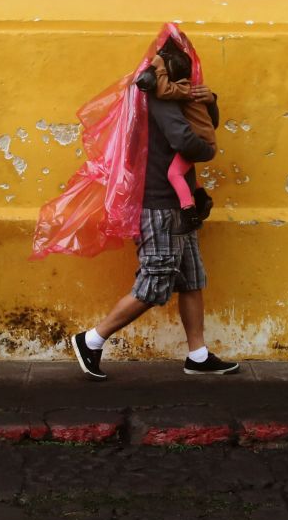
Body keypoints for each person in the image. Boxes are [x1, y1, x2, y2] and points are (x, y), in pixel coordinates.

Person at [69, 30, 240, 380]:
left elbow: (202, 122)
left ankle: (198, 354)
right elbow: (184, 139)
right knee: (155, 281)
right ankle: (92, 340)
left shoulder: (173, 93)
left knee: (191, 277)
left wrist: (210, 101)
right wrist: (209, 151)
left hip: (178, 203)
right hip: (160, 202)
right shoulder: (159, 97)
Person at [136, 36, 215, 233]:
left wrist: (158, 66)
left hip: (163, 203)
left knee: (175, 173)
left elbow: (164, 92)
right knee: (182, 168)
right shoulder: (187, 88)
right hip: (203, 144)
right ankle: (200, 196)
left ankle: (190, 213)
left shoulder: (177, 90)